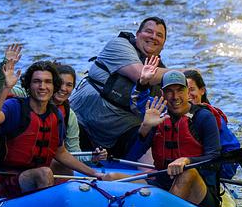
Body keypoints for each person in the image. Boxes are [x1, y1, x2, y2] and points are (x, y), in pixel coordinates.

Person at [0, 59, 115, 198]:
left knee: (60, 168)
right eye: (37, 81)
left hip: (40, 173)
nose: (42, 86)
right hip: (8, 180)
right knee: (44, 173)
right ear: (29, 85)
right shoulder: (14, 106)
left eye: (48, 82)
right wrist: (6, 88)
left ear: (54, 86)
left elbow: (61, 153)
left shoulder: (56, 115)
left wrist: (94, 173)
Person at [124, 70, 241, 207]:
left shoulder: (204, 117)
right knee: (111, 178)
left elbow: (214, 160)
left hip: (200, 191)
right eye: (169, 91)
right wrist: (145, 127)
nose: (175, 96)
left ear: (187, 92)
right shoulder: (158, 116)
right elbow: (131, 157)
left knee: (187, 173)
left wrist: (187, 160)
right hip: (163, 185)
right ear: (162, 93)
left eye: (180, 90)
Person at [70, 17, 172, 159]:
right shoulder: (119, 45)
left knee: (156, 126)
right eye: (149, 31)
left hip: (116, 141)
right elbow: (141, 74)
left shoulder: (163, 75)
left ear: (163, 44)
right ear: (137, 34)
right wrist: (186, 73)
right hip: (82, 125)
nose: (153, 37)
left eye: (159, 35)